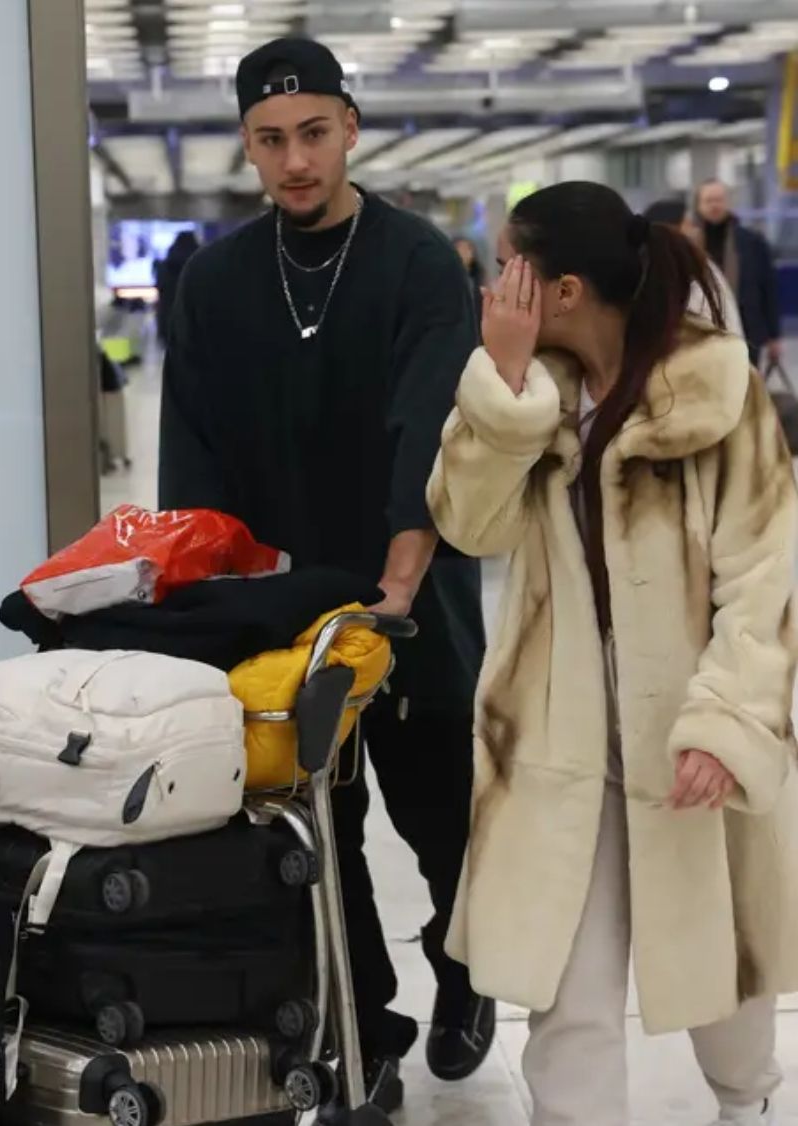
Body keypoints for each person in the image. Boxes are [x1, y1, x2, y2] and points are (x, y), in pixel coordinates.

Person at [159, 36, 492, 1114]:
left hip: (410, 596)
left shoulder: (413, 261)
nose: (293, 158)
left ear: (348, 127)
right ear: (245, 148)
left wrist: (397, 583)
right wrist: (201, 606)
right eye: (269, 139)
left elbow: (424, 429)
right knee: (311, 834)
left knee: (439, 814)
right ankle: (368, 1028)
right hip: (281, 610)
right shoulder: (213, 283)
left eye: (311, 133)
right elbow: (191, 461)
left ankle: (463, 967)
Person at [428, 180, 798, 1126]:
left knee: (723, 956)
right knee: (569, 983)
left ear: (563, 287)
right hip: (563, 728)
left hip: (688, 713)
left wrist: (728, 721)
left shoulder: (715, 392)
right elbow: (471, 529)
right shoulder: (523, 390)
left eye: (511, 261)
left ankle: (747, 1104)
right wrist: (504, 392)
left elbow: (768, 573)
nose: (493, 280)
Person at [693, 180, 782, 370]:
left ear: (728, 203)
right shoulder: (688, 245)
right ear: (699, 206)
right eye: (708, 201)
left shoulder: (752, 242)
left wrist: (774, 336)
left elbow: (769, 288)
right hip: (699, 336)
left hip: (747, 333)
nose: (714, 205)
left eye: (719, 200)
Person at [642, 198, 742, 330]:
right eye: (689, 225)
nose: (697, 231)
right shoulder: (650, 277)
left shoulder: (704, 267)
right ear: (672, 231)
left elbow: (728, 321)